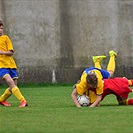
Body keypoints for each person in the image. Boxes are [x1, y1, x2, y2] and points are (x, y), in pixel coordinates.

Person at [0, 20, 28, 107]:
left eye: (1, 28)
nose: (0, 30)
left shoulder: (5, 38)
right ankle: (23, 101)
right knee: (10, 82)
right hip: (1, 66)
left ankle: (1, 99)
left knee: (13, 87)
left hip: (11, 65)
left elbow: (11, 52)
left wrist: (2, 52)